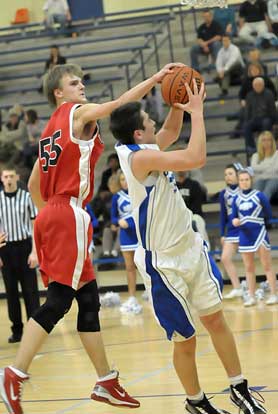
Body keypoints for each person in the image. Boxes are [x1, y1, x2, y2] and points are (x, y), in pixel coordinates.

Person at [0, 61, 182, 414]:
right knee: (58, 301)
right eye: (73, 82)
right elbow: (118, 105)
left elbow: (36, 180)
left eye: (81, 81)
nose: (81, 85)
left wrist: (48, 214)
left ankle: (105, 380)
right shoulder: (74, 111)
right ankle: (14, 373)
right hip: (66, 211)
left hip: (56, 211)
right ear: (58, 93)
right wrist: (155, 80)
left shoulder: (49, 132)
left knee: (88, 300)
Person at [110, 81, 267, 414]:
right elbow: (197, 157)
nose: (154, 122)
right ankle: (195, 401)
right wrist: (197, 111)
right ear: (139, 134)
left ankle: (240, 388)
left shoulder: (140, 147)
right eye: (147, 120)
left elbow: (168, 130)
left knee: (216, 320)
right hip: (162, 263)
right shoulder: (138, 160)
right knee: (186, 339)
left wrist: (177, 104)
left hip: (189, 249)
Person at [0, 166, 39, 343]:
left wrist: (35, 252)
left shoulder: (26, 197)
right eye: (6, 176)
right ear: (1, 179)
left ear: (17, 178)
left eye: (11, 176)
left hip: (25, 247)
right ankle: (17, 330)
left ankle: (35, 329)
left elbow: (35, 226)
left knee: (31, 291)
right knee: (11, 292)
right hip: (5, 249)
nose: (8, 179)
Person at [232, 168, 278, 306]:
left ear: (251, 180)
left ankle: (274, 294)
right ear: (238, 182)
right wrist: (235, 221)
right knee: (249, 267)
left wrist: (257, 221)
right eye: (241, 180)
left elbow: (269, 214)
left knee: (267, 265)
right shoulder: (236, 199)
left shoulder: (260, 195)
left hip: (259, 233)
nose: (244, 182)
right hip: (244, 235)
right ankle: (251, 296)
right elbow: (233, 217)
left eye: (246, 180)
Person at [111, 170, 141, 314]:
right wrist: (118, 222)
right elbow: (112, 217)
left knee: (145, 265)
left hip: (140, 233)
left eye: (126, 179)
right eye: (121, 179)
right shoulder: (116, 197)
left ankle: (151, 293)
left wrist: (131, 223)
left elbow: (143, 213)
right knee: (130, 267)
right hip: (125, 235)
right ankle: (132, 297)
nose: (124, 182)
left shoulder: (138, 192)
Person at [219, 164, 243, 299]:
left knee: (250, 260)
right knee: (225, 258)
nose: (227, 177)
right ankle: (237, 287)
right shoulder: (224, 193)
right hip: (232, 230)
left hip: (246, 228)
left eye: (230, 173)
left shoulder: (244, 188)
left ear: (237, 174)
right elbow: (223, 214)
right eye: (225, 174)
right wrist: (222, 233)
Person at [244, 77, 277, 154]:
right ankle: (251, 148)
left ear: (263, 85)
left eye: (259, 85)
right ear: (253, 86)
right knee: (246, 126)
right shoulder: (249, 95)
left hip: (267, 117)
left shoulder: (269, 94)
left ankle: (263, 146)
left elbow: (273, 110)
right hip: (255, 119)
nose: (257, 86)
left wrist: (275, 122)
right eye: (255, 85)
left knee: (266, 123)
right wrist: (247, 120)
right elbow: (247, 110)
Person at [251, 131, 278, 201]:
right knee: (256, 192)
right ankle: (256, 210)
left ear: (272, 142)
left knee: (267, 190)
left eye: (269, 140)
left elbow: (275, 169)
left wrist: (261, 168)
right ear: (260, 142)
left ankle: (263, 210)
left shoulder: (277, 154)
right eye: (264, 140)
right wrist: (269, 165)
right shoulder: (255, 155)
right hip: (259, 179)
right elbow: (253, 168)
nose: (266, 142)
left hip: (274, 178)